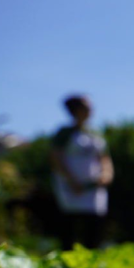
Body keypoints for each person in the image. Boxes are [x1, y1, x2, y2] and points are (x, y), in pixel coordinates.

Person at [50, 95, 113, 249]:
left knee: (93, 232)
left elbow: (104, 158)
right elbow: (56, 158)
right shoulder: (64, 133)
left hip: (93, 190)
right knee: (69, 231)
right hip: (71, 188)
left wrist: (106, 174)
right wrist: (71, 180)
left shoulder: (96, 134)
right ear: (76, 110)